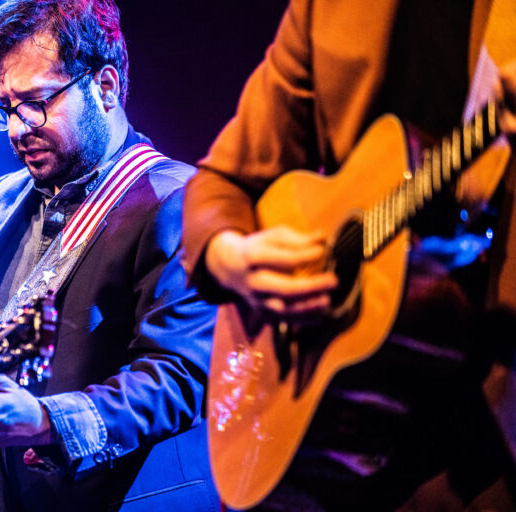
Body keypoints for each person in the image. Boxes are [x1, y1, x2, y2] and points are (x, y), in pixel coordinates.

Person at [0, 1, 218, 510]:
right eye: (7, 108)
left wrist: (45, 422)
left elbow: (181, 375)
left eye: (37, 101)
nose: (18, 128)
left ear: (105, 88)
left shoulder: (176, 200)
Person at [182, 0, 516, 510]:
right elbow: (225, 181)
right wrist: (232, 255)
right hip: (353, 436)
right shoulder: (326, 8)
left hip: (496, 428)